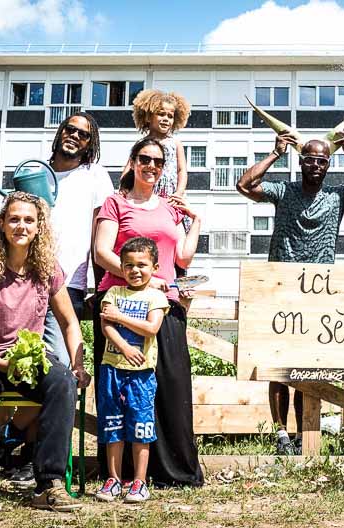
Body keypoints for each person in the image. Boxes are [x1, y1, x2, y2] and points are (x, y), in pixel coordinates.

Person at [237, 130, 344, 455]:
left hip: (318, 295)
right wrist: (276, 153)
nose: (316, 165)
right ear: (301, 162)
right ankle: (281, 434)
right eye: (310, 159)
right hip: (281, 289)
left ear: (328, 164)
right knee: (275, 366)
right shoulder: (284, 190)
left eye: (322, 161)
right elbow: (244, 185)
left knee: (305, 366)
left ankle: (301, 435)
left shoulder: (338, 196)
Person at [0, 111, 115, 487]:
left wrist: (96, 282)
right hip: (20, 284)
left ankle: (31, 454)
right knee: (15, 361)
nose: (74, 137)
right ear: (59, 133)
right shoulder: (34, 171)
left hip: (68, 285)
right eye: (69, 130)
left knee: (57, 369)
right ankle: (8, 440)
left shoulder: (95, 177)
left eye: (84, 134)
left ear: (92, 143)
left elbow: (98, 232)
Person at [0, 191, 90, 511]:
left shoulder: (48, 270)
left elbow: (69, 323)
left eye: (28, 220)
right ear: (3, 225)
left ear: (39, 228)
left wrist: (77, 363)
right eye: (14, 219)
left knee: (63, 383)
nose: (21, 225)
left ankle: (49, 482)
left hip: (28, 359)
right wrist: (0, 362)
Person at [93, 138, 203, 487]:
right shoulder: (115, 203)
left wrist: (196, 219)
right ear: (133, 162)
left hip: (164, 305)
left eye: (158, 161)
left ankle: (171, 471)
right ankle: (119, 475)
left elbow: (182, 259)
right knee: (120, 392)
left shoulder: (172, 207)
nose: (151, 166)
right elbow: (101, 252)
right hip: (122, 304)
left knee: (170, 387)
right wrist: (146, 279)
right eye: (145, 159)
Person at [95, 237, 169, 503]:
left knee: (141, 426)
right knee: (112, 425)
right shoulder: (112, 294)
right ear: (121, 268)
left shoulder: (156, 297)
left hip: (142, 374)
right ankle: (113, 479)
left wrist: (120, 317)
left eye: (142, 265)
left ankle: (140, 481)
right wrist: (124, 347)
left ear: (155, 267)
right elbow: (106, 327)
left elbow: (151, 328)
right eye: (128, 265)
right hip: (112, 369)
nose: (135, 270)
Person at [132, 89, 191, 202]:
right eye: (161, 114)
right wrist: (124, 187)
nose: (166, 119)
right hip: (147, 193)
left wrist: (179, 192)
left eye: (170, 116)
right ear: (148, 117)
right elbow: (130, 168)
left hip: (171, 196)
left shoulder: (175, 144)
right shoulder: (141, 144)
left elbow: (181, 170)